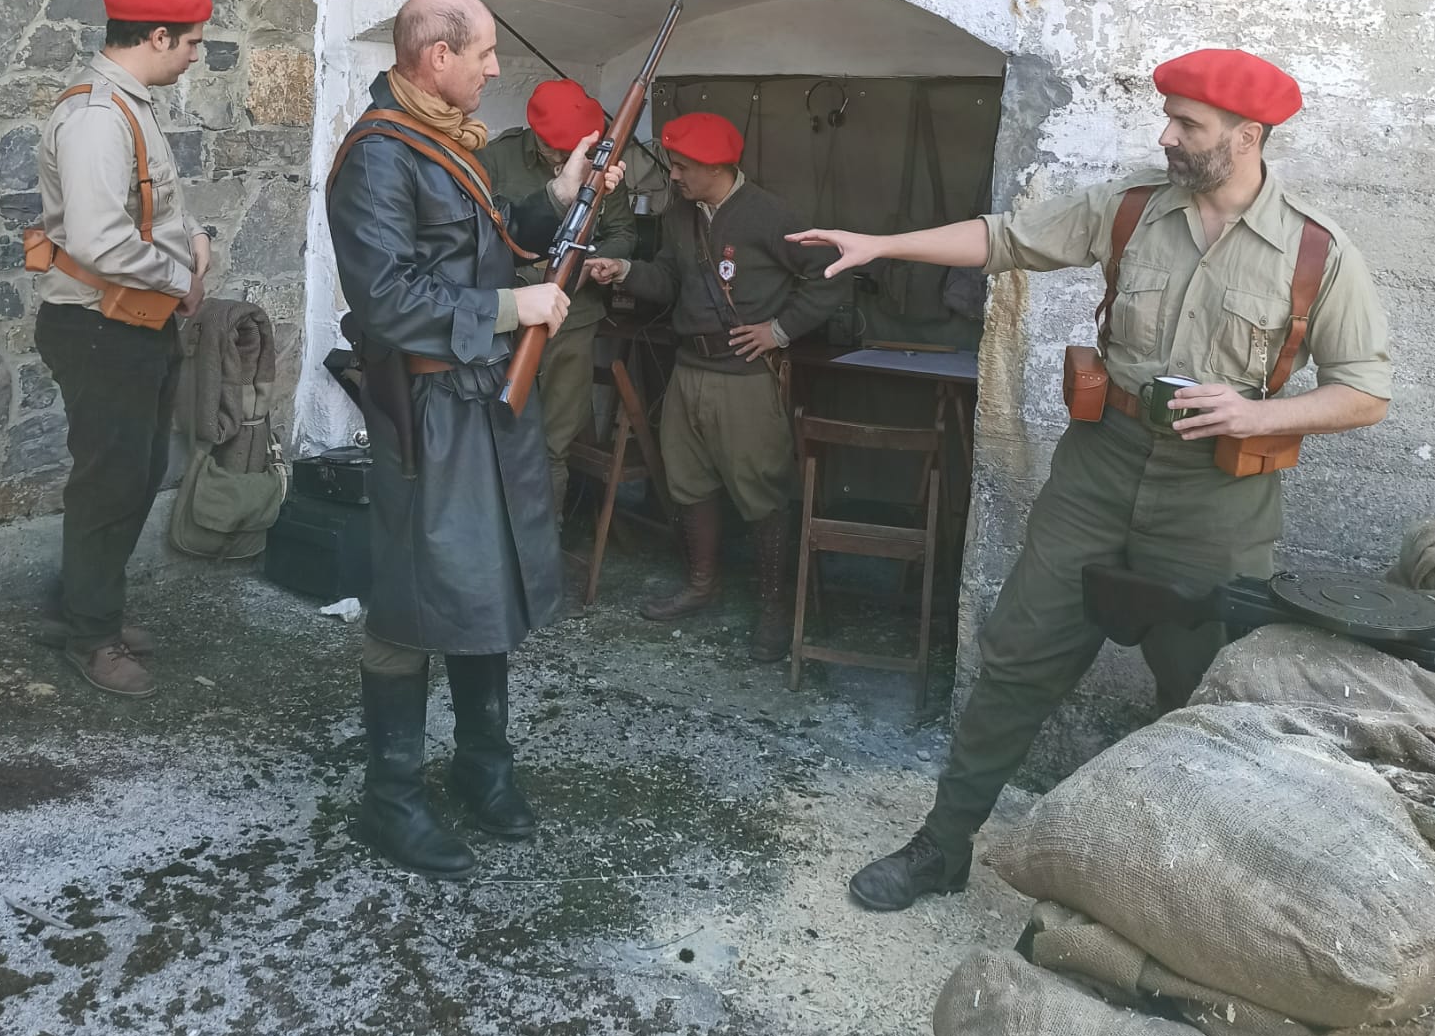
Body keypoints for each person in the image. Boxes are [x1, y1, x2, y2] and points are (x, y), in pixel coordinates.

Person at [790, 49, 1392, 910]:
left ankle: (1181, 903)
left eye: (1187, 124)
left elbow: (1364, 392)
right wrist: (883, 243)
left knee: (1207, 698)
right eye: (1170, 118)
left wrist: (1260, 416)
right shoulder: (1132, 208)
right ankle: (942, 846)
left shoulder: (1315, 252)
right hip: (1096, 474)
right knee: (1014, 662)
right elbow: (1005, 239)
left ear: (1246, 137)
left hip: (1214, 500)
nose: (1167, 135)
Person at [326, 0, 625, 881]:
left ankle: (481, 770)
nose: (497, 69)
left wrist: (563, 191)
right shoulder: (378, 157)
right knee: (415, 597)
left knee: (481, 584)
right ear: (436, 58)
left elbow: (486, 241)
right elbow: (385, 300)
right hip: (427, 411)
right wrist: (510, 306)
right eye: (485, 53)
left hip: (481, 402)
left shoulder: (443, 141)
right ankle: (392, 800)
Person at [585, 111, 847, 662]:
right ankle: (703, 585)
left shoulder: (770, 215)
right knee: (689, 482)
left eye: (680, 166)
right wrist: (624, 270)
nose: (672, 175)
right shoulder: (679, 214)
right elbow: (669, 279)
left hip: (746, 378)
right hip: (689, 370)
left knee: (761, 489)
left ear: (713, 166)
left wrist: (778, 331)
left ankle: (775, 608)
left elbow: (829, 274)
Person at [33, 0, 213, 699]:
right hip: (100, 327)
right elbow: (102, 243)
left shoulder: (127, 107)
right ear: (158, 36)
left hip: (133, 323)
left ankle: (88, 604)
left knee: (133, 476)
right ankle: (90, 636)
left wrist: (192, 241)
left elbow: (152, 212)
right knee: (111, 482)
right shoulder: (97, 116)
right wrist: (183, 280)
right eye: (193, 42)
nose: (197, 56)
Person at [485, 79, 636, 518]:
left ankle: (541, 553)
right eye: (553, 149)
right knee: (497, 435)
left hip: (574, 318)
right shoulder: (496, 158)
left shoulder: (603, 164)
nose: (562, 158)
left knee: (553, 445)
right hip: (508, 316)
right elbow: (479, 240)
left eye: (570, 148)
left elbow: (623, 231)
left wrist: (602, 264)